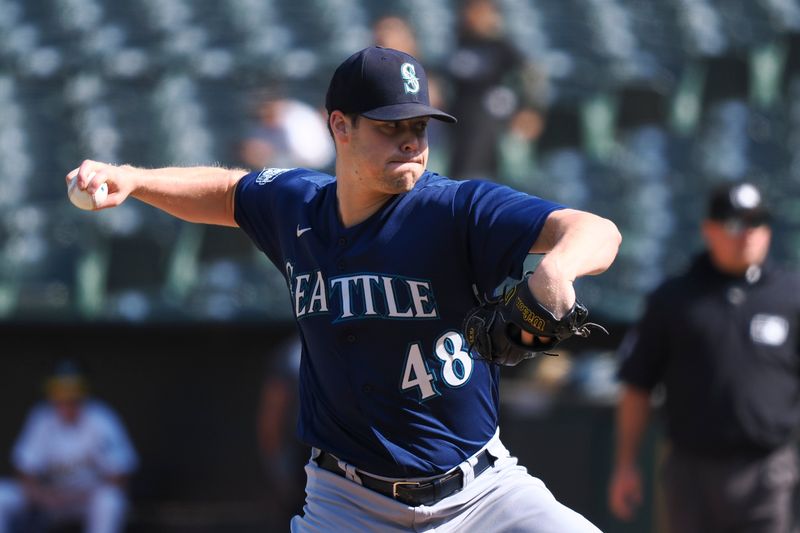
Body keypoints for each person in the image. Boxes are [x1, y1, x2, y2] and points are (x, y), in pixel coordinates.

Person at [66, 45, 620, 532]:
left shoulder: (456, 209)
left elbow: (597, 231)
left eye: (419, 127)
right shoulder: (297, 204)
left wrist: (555, 271)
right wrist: (135, 179)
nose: (410, 142)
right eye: (390, 126)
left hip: (479, 495)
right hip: (347, 504)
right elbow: (228, 191)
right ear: (339, 126)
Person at [608, 181, 800, 533]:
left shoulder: (791, 296)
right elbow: (636, 384)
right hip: (691, 469)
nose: (748, 234)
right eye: (735, 223)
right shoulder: (675, 298)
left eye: (756, 222)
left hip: (767, 470)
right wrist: (625, 464)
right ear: (709, 230)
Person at [0, 360, 138, 533]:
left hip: (85, 500)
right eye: (60, 390)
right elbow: (24, 470)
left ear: (83, 391)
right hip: (48, 501)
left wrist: (77, 496)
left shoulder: (101, 418)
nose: (66, 398)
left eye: (72, 390)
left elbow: (120, 475)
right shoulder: (42, 417)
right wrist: (43, 495)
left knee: (109, 499)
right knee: (2, 494)